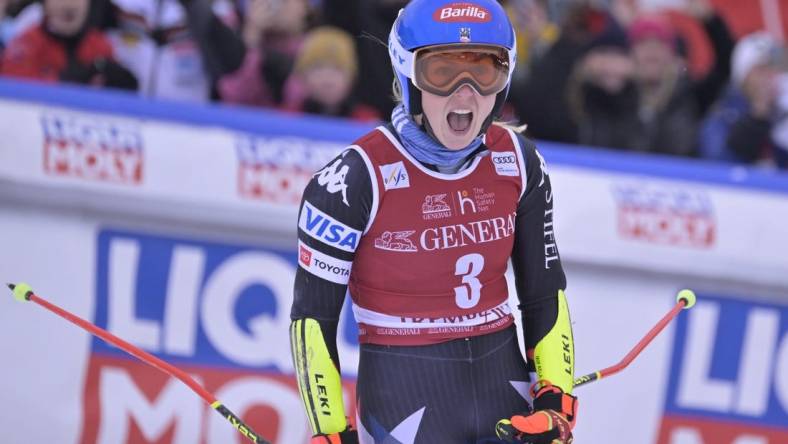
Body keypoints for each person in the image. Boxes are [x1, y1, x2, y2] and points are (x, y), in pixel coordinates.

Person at [289, 1, 578, 443]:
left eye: (484, 71)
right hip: (402, 399)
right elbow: (312, 320)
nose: (465, 94)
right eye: (442, 72)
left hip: (504, 393)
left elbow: (544, 294)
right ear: (408, 77)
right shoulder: (352, 180)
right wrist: (329, 430)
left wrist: (556, 398)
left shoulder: (520, 162)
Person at [1, 0, 137, 90]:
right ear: (45, 4)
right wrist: (68, 81)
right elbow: (15, 94)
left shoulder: (99, 44)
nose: (69, 5)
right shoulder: (27, 43)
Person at [699, 31, 788, 168]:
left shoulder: (782, 111)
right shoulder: (723, 117)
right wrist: (757, 117)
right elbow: (720, 165)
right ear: (743, 78)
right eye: (761, 69)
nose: (771, 76)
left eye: (777, 68)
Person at [285, 26, 380, 121]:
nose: (328, 79)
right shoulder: (287, 118)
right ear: (304, 76)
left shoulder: (367, 122)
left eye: (337, 69)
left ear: (351, 78)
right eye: (318, 68)